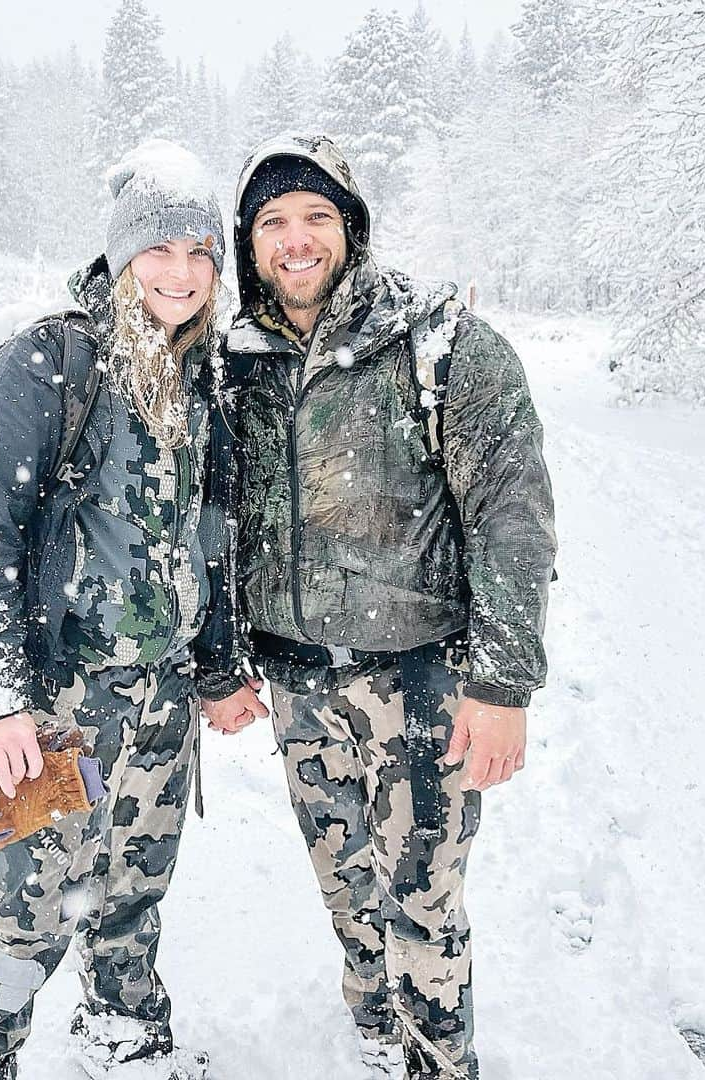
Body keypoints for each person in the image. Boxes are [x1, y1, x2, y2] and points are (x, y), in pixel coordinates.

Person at [201, 134, 557, 1079]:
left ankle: (439, 1059)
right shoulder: (234, 363)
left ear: (351, 229)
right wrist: (218, 657)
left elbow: (512, 517)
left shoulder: (439, 344)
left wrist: (505, 683)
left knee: (425, 898)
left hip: (421, 680)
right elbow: (212, 520)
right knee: (343, 880)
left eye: (316, 216)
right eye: (273, 221)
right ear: (249, 242)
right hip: (295, 682)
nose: (296, 239)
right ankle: (373, 1019)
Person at [0, 140, 234, 1080]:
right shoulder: (53, 358)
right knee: (22, 910)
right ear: (121, 254)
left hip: (162, 704)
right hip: (54, 711)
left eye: (199, 254)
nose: (179, 274)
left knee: (132, 896)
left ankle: (126, 1045)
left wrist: (213, 669)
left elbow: (205, 534)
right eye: (158, 250)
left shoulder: (202, 374)